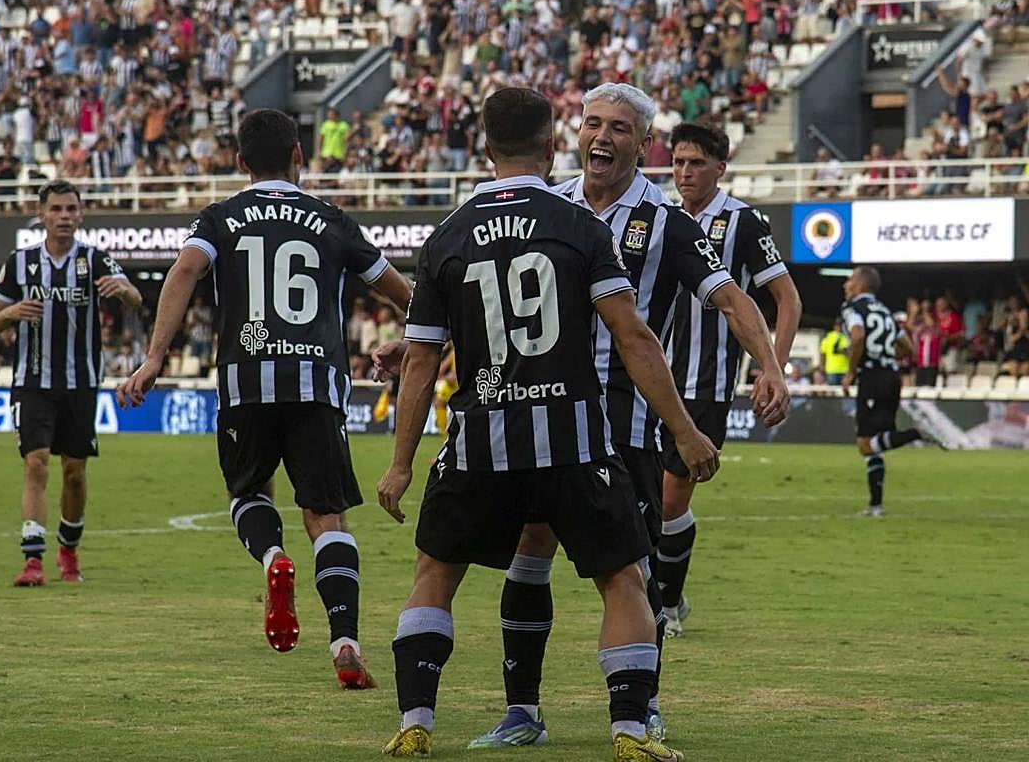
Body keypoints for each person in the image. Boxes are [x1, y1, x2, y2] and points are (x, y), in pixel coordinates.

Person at [375, 86, 720, 761]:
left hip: (480, 440)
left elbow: (419, 362)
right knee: (623, 578)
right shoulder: (578, 226)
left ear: (484, 146)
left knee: (435, 572)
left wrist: (400, 464)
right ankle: (627, 730)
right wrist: (684, 428)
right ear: (552, 145)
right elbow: (633, 337)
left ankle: (417, 719)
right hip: (574, 437)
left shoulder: (448, 233)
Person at [116, 109, 412, 688]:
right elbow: (403, 292)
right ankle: (346, 643)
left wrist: (154, 357)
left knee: (248, 491)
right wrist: (410, 340)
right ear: (299, 156)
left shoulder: (221, 218)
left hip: (244, 385)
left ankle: (274, 558)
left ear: (242, 163)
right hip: (317, 386)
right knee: (328, 518)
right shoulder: (332, 221)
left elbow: (184, 273)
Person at [657, 122, 802, 638]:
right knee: (648, 500)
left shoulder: (743, 221)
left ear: (720, 167)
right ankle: (665, 597)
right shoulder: (659, 218)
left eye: (696, 163)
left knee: (673, 498)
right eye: (677, 162)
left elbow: (787, 299)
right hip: (649, 379)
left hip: (706, 383)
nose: (684, 172)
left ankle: (666, 604)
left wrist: (772, 368)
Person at [0, 180, 143, 587]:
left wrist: (122, 290)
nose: (65, 217)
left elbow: (137, 298)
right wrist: (13, 312)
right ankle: (32, 561)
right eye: (56, 209)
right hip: (32, 382)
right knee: (35, 463)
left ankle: (68, 549)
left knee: (74, 471)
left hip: (81, 383)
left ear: (81, 214)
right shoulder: (19, 263)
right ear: (42, 216)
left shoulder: (96, 261)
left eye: (71, 209)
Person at [840, 266, 940, 517]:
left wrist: (851, 371)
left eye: (850, 280)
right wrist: (887, 356)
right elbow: (907, 346)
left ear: (861, 284)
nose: (846, 285)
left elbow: (858, 336)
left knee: (865, 444)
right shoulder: (885, 311)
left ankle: (914, 434)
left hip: (872, 378)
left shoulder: (853, 309)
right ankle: (876, 506)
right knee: (876, 442)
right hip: (892, 377)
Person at [820, 320, 850, 385]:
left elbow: (823, 352)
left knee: (837, 391)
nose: (839, 327)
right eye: (838, 325)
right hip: (832, 369)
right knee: (835, 391)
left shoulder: (828, 337)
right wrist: (822, 365)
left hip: (842, 369)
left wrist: (822, 365)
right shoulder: (844, 337)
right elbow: (823, 352)